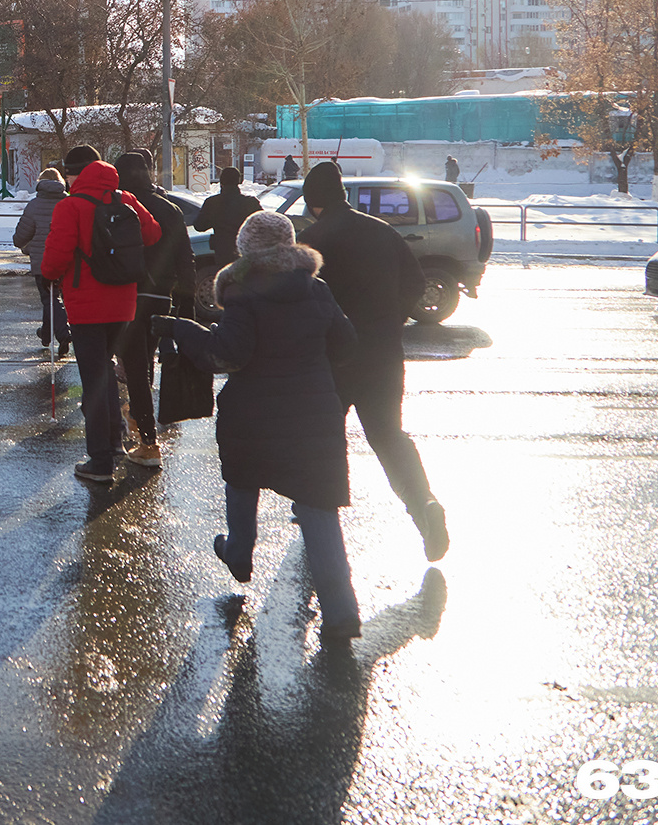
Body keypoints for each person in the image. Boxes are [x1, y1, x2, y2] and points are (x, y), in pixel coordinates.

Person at [171, 209, 362, 647]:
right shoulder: (317, 289)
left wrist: (188, 331)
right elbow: (346, 345)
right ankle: (342, 613)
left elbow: (228, 355)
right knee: (319, 512)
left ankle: (239, 555)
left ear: (246, 251)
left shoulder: (243, 293)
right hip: (314, 415)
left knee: (243, 481)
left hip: (254, 412)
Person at [299, 160, 449, 561]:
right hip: (384, 354)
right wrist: (391, 318)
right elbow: (416, 282)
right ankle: (424, 505)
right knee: (388, 437)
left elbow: (301, 300)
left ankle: (320, 515)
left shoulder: (312, 239)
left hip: (333, 357)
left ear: (314, 202)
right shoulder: (383, 232)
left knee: (325, 438)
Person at [40, 145, 161, 483]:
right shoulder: (125, 199)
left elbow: (56, 255)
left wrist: (50, 273)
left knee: (94, 380)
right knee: (106, 372)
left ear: (76, 174)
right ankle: (115, 441)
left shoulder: (71, 206)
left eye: (68, 173)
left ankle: (100, 461)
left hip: (86, 305)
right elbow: (152, 233)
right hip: (124, 302)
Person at [114, 150, 196, 467]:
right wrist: (186, 301)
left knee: (133, 363)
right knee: (145, 357)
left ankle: (146, 436)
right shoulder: (169, 208)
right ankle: (138, 413)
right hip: (162, 295)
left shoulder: (118, 207)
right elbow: (184, 255)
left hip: (127, 294)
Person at [10, 167, 70, 353]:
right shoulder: (69, 202)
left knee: (49, 298)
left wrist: (27, 247)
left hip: (42, 260)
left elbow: (20, 237)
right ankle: (46, 334)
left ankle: (64, 334)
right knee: (54, 298)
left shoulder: (35, 205)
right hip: (66, 259)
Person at [191, 167, 262, 297]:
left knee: (227, 289)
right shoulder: (250, 203)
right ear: (239, 182)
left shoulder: (213, 202)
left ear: (221, 182)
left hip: (222, 252)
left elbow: (199, 226)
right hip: (247, 253)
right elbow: (263, 224)